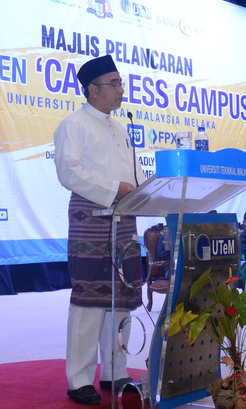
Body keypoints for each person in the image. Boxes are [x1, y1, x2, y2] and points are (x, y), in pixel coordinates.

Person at [54, 55, 146, 406]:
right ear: (93, 89)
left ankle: (114, 371)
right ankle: (79, 379)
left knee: (120, 297)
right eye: (115, 83)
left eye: (121, 83)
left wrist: (149, 191)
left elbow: (135, 176)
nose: (121, 89)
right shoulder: (73, 124)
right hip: (92, 217)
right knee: (90, 299)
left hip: (125, 219)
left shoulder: (120, 128)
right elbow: (69, 172)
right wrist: (114, 189)